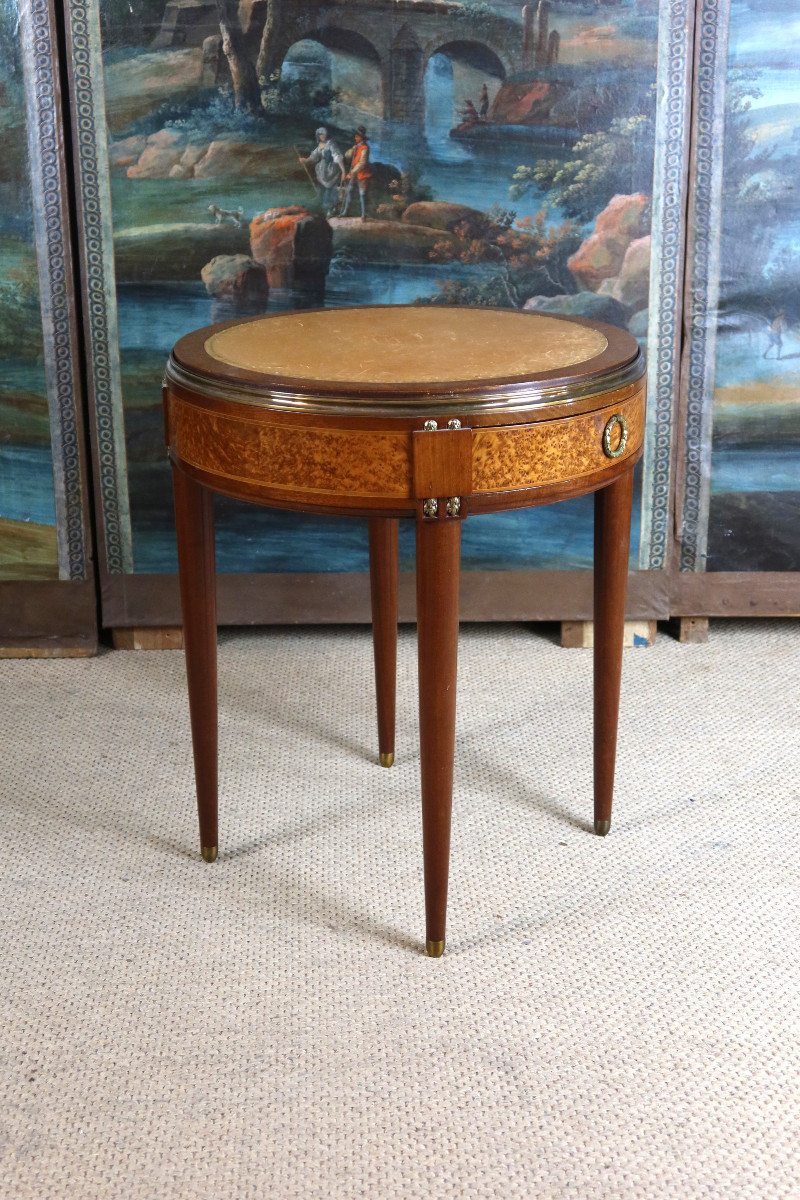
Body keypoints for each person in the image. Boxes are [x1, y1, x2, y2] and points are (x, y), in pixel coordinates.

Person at [300, 127, 345, 217]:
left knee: (331, 189)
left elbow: (337, 157)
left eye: (324, 134)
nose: (322, 136)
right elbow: (314, 156)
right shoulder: (320, 145)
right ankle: (326, 207)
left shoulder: (331, 144)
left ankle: (333, 208)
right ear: (318, 136)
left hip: (331, 169)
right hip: (323, 169)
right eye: (321, 135)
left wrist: (343, 171)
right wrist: (305, 160)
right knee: (323, 188)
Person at [341, 126, 372, 220]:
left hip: (362, 174)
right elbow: (346, 156)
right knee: (349, 190)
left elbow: (362, 163)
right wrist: (352, 151)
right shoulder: (356, 147)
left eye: (356, 136)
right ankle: (345, 212)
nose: (355, 138)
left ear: (361, 137)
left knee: (362, 193)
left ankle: (363, 215)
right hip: (355, 172)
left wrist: (352, 172)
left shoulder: (365, 148)